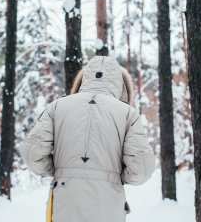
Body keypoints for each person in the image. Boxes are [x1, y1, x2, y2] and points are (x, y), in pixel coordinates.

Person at [19, 56, 155, 222]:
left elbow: (32, 153)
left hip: (65, 203)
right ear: (120, 84)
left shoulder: (57, 106)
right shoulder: (128, 114)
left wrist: (60, 170)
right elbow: (141, 169)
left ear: (85, 78)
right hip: (108, 205)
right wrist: (114, 176)